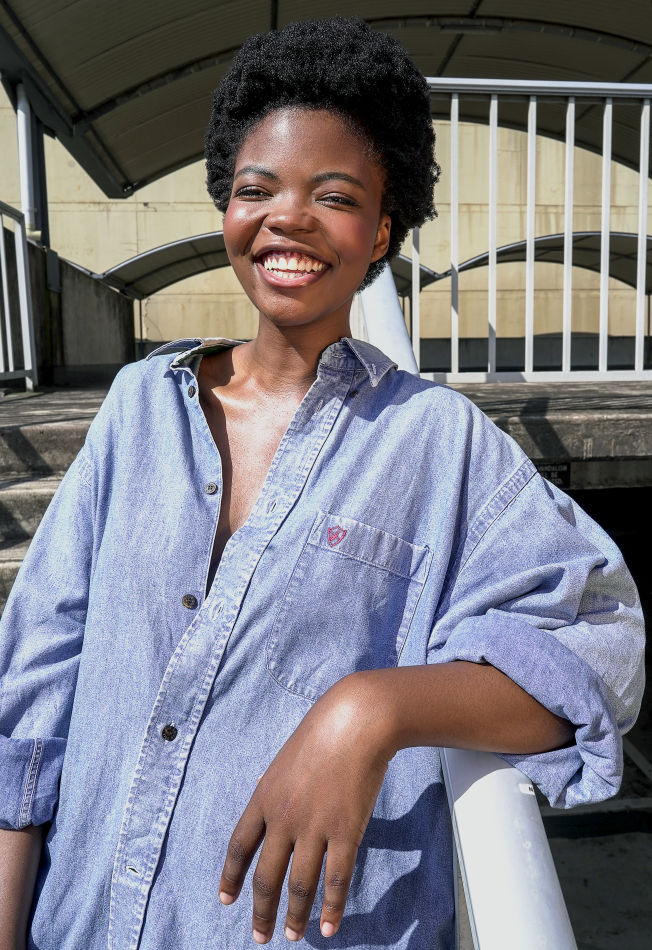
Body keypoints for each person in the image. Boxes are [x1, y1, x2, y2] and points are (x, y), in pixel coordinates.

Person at [0, 16, 645, 950]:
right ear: (227, 208)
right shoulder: (139, 407)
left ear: (381, 230)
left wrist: (370, 709)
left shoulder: (439, 444)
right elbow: (33, 688)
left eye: (333, 196)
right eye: (255, 189)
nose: (287, 218)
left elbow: (599, 645)